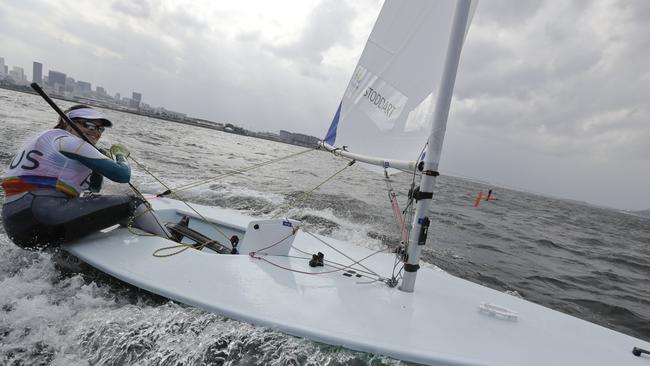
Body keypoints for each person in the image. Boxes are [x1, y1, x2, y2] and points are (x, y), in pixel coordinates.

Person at [1, 104, 144, 249]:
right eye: (89, 125)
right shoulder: (70, 142)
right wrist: (121, 155)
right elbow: (122, 175)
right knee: (135, 203)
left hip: (14, 223)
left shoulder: (48, 139)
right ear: (68, 123)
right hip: (42, 213)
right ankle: (166, 237)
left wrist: (96, 164)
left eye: (100, 129)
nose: (95, 132)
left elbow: (94, 189)